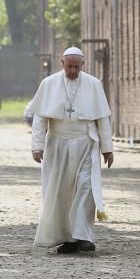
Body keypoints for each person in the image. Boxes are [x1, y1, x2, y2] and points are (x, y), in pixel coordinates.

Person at [29, 46, 113, 254]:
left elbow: (102, 119)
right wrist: (37, 146)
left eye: (77, 67)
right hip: (58, 145)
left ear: (83, 65)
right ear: (62, 64)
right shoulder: (48, 84)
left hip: (86, 143)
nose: (73, 71)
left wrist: (107, 148)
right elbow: (40, 118)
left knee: (86, 187)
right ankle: (67, 238)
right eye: (69, 67)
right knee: (61, 193)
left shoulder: (94, 84)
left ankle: (83, 237)